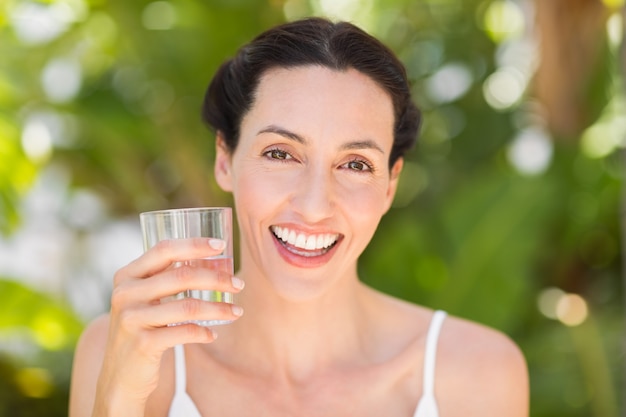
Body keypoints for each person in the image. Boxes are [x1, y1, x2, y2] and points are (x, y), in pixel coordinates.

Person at [69, 17, 529, 417]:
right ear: (225, 160)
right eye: (280, 153)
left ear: (390, 185)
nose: (313, 206)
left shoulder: (478, 374)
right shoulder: (129, 351)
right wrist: (118, 400)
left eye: (355, 165)